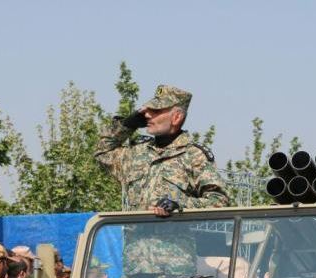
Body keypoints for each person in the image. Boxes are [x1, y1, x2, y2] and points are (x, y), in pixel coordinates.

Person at [95, 84, 230, 215]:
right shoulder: (137, 152)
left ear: (176, 117)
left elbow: (220, 201)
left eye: (156, 111)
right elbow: (102, 152)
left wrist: (180, 205)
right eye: (148, 110)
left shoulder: (193, 155)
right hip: (136, 231)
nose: (147, 115)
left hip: (174, 231)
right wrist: (127, 125)